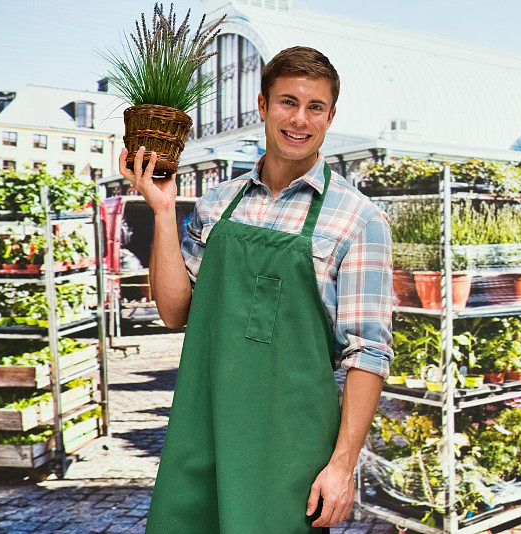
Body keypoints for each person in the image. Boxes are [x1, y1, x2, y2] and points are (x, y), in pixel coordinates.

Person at [118, 46, 393, 533]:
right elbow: (175, 311)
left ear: (331, 116)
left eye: (315, 108)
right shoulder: (217, 204)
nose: (300, 120)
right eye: (288, 102)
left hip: (291, 447)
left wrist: (342, 465)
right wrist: (163, 211)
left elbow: (368, 353)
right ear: (263, 106)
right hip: (202, 428)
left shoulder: (360, 220)